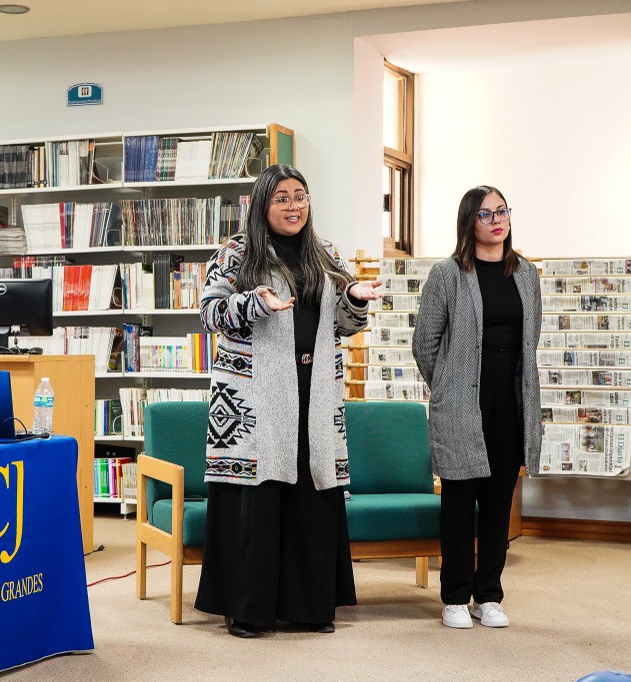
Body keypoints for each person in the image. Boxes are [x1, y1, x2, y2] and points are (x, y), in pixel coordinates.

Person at [194, 164, 382, 638]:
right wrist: (254, 303)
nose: (294, 206)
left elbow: (345, 326)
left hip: (314, 392)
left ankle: (309, 608)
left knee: (310, 499)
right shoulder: (237, 252)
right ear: (262, 204)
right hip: (253, 398)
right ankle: (247, 610)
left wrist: (355, 298)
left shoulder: (326, 253)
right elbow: (209, 313)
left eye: (300, 196)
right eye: (282, 198)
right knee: (258, 501)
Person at [412, 185, 542, 629]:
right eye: (485, 214)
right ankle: (454, 597)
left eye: (501, 211)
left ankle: (488, 595)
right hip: (461, 401)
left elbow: (530, 338)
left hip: (510, 398)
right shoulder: (447, 274)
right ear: (469, 222)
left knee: (498, 501)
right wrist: (448, 386)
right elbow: (425, 343)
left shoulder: (526, 273)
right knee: (459, 500)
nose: (496, 220)